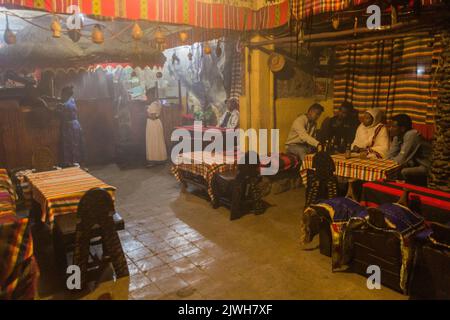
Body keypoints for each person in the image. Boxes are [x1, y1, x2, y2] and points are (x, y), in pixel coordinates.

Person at [388, 114, 431, 184]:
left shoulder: (412, 135)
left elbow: (401, 160)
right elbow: (389, 156)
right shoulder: (397, 136)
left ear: (402, 128)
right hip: (413, 164)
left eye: (393, 126)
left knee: (403, 171)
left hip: (426, 165)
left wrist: (389, 162)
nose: (390, 129)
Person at [58, 85, 83, 166]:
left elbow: (61, 112)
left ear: (65, 94)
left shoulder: (67, 104)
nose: (61, 96)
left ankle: (73, 163)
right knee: (72, 144)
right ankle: (73, 163)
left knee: (72, 145)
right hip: (73, 124)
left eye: (62, 94)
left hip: (70, 125)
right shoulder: (71, 100)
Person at [145, 90, 167, 166]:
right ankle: (160, 158)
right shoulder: (158, 103)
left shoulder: (153, 104)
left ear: (151, 96)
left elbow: (153, 116)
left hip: (153, 123)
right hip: (156, 123)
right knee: (158, 141)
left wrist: (146, 113)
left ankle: (153, 160)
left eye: (147, 96)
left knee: (153, 142)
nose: (147, 98)